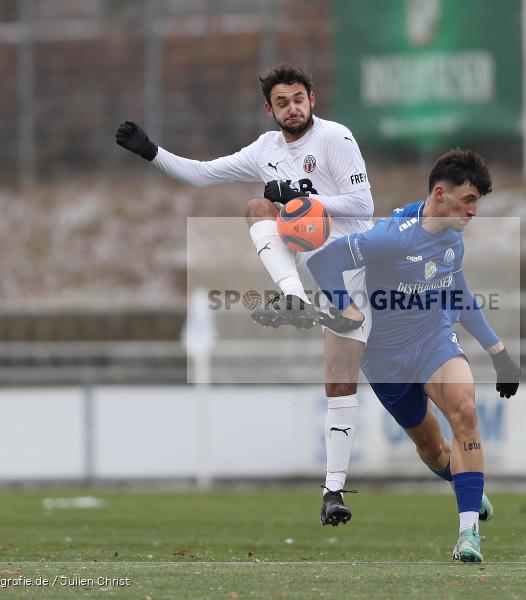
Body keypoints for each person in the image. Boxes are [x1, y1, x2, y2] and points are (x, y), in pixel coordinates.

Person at [115, 64, 371, 526]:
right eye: (281, 102)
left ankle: (455, 474)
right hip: (318, 278)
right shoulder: (266, 149)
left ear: (312, 99)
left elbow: (362, 205)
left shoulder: (336, 138)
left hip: (355, 268)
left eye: (298, 98)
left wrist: (298, 195)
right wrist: (151, 153)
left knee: (420, 427)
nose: (291, 108)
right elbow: (201, 174)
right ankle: (333, 492)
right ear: (269, 109)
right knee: (256, 207)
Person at [306, 149, 521, 563]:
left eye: (478, 202)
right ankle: (465, 485)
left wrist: (499, 353)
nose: (475, 211)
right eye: (469, 200)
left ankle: (468, 535)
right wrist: (343, 307)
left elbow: (460, 295)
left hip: (433, 340)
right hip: (385, 360)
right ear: (441, 194)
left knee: (465, 412)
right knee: (434, 449)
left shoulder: (453, 240)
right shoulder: (389, 237)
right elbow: (324, 261)